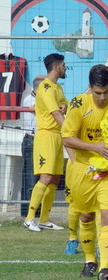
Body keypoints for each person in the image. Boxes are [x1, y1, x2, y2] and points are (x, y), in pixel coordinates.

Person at [62, 64, 108, 280]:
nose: (102, 97)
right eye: (97, 93)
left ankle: (105, 268)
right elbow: (67, 138)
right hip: (84, 171)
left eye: (106, 92)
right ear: (90, 88)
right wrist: (95, 147)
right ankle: (90, 260)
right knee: (86, 216)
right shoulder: (78, 104)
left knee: (107, 217)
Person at [24, 53, 68, 233]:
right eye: (64, 65)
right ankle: (29, 218)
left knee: (56, 177)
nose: (65, 68)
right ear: (57, 66)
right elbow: (55, 114)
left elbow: (64, 106)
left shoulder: (57, 87)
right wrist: (71, 132)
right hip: (46, 135)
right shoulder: (47, 87)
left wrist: (66, 106)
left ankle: (44, 219)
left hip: (57, 136)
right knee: (46, 176)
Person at [20, 75, 44, 218]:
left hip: (39, 140)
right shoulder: (30, 100)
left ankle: (35, 212)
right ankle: (29, 213)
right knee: (30, 178)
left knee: (38, 177)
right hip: (32, 140)